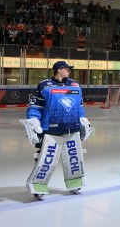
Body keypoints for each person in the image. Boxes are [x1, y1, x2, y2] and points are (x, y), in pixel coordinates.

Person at [23, 61, 93, 201]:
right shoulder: (44, 85)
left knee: (74, 158)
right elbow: (35, 106)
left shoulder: (75, 85)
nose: (69, 71)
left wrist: (83, 119)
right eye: (67, 69)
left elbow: (79, 105)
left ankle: (75, 183)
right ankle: (38, 186)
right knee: (45, 159)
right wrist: (34, 121)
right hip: (50, 129)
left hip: (72, 127)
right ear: (59, 70)